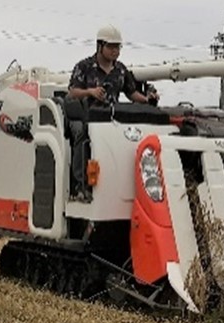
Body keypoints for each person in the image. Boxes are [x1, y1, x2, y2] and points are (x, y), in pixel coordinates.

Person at [67, 24, 159, 202]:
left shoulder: (121, 70)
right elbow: (72, 92)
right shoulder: (84, 67)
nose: (115, 51)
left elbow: (132, 93)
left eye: (118, 47)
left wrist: (148, 99)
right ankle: (80, 186)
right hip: (88, 117)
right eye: (111, 46)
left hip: (113, 119)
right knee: (81, 135)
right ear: (99, 46)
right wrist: (91, 92)